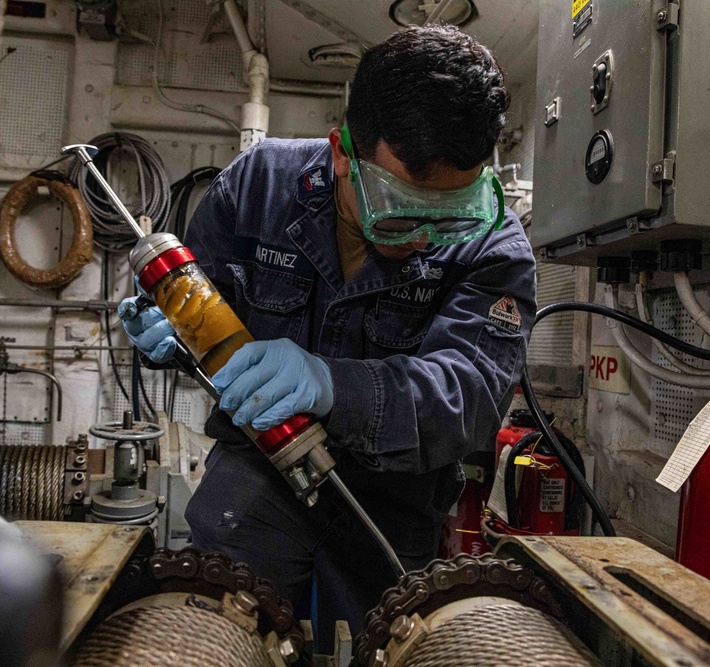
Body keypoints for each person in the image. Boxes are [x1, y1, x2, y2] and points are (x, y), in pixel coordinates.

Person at [119, 24, 535, 646]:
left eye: (447, 214)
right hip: (257, 474)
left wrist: (330, 385)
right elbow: (203, 309)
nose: (423, 237)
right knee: (218, 640)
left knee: (381, 647)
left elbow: (469, 400)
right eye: (401, 205)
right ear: (343, 153)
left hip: (394, 500)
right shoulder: (260, 186)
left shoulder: (495, 247)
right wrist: (166, 333)